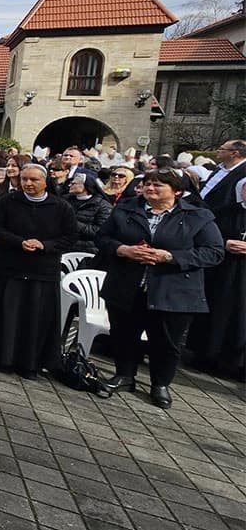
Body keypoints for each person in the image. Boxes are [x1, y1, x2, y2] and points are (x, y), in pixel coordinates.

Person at [95, 168, 225, 407]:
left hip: (174, 291)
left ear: (177, 191)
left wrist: (170, 257)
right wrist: (123, 250)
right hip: (127, 285)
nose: (150, 189)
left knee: (166, 342)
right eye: (147, 184)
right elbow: (102, 238)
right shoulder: (126, 209)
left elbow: (213, 252)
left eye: (158, 185)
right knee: (124, 334)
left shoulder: (199, 216)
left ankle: (160, 384)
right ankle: (124, 374)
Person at [0, 164, 78, 379]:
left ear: (45, 182)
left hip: (41, 271)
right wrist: (18, 242)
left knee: (34, 319)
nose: (28, 184)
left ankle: (29, 363)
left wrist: (44, 245)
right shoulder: (8, 201)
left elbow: (69, 237)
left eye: (34, 180)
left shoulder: (61, 207)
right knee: (4, 313)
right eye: (24, 179)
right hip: (9, 266)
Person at [189, 140, 246, 377]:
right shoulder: (229, 211)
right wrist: (224, 242)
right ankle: (208, 354)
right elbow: (213, 231)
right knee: (218, 308)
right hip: (225, 268)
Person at [66, 173, 112, 255]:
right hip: (65, 245)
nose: (70, 185)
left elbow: (99, 232)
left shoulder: (103, 206)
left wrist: (72, 223)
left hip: (87, 249)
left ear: (85, 186)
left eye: (74, 183)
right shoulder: (66, 200)